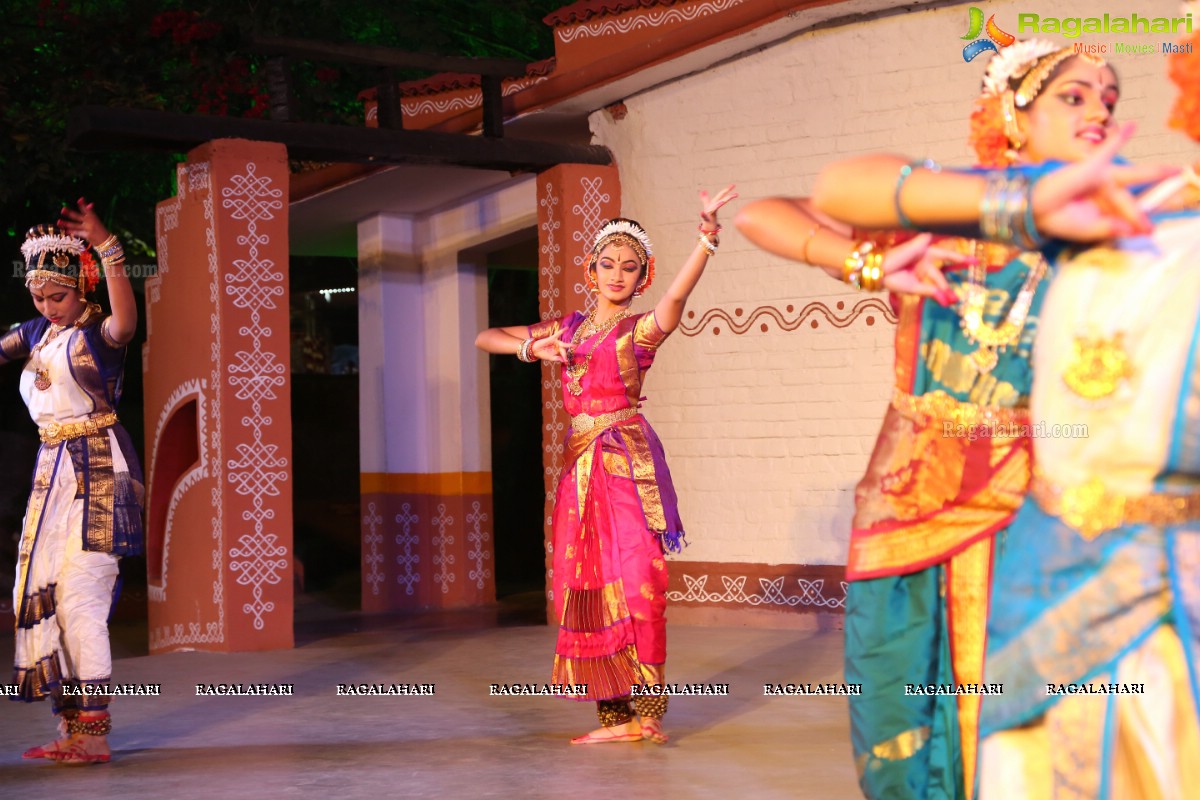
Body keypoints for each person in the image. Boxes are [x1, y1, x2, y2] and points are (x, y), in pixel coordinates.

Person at [737, 41, 1119, 799]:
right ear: (1014, 113)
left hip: (1033, 508)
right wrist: (868, 265)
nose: (1100, 111)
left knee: (1019, 720)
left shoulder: (1108, 232)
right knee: (894, 708)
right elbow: (766, 212)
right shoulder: (941, 217)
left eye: (1109, 97)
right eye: (1074, 96)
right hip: (904, 507)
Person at [475, 186, 737, 745]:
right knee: (586, 583)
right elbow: (485, 336)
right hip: (579, 476)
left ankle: (650, 713)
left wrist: (706, 240)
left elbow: (675, 303)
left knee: (641, 579)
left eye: (630, 267)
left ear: (641, 276)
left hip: (626, 467)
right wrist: (531, 349)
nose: (618, 274)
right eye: (608, 264)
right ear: (590, 271)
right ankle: (615, 719)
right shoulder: (565, 331)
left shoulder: (635, 333)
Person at [4, 199, 143, 765]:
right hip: (51, 474)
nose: (47, 307)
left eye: (56, 296)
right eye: (38, 297)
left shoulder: (99, 334)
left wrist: (108, 248)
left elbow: (127, 321)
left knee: (82, 596)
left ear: (81, 287)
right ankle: (70, 727)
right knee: (49, 600)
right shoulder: (37, 332)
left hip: (97, 469)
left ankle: (95, 731)